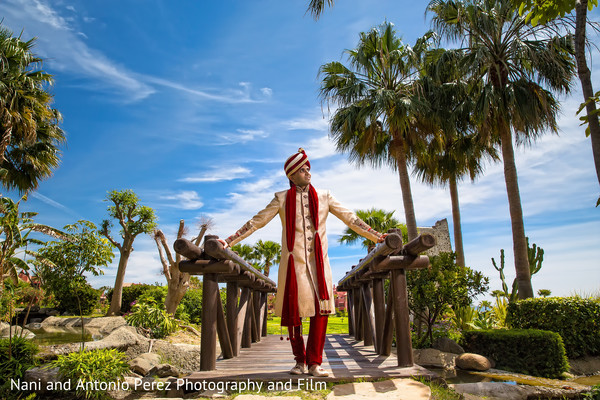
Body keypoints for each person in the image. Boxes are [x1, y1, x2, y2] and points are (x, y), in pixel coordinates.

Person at [219, 148, 386, 377]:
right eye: (303, 169)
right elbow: (256, 222)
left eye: (308, 168)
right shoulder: (281, 198)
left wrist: (377, 237)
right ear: (291, 175)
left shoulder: (326, 196)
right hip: (293, 266)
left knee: (321, 312)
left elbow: (351, 218)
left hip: (319, 265)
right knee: (294, 313)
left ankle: (315, 363)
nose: (308, 172)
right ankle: (299, 361)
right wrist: (229, 240)